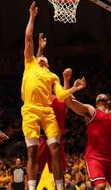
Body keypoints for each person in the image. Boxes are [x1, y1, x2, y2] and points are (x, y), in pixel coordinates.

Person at [21, 1, 86, 190]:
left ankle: (59, 187)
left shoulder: (52, 76)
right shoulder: (30, 63)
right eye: (39, 56)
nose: (41, 58)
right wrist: (32, 17)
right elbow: (27, 38)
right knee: (32, 151)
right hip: (30, 109)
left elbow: (60, 94)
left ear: (47, 64)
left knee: (55, 149)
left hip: (46, 111)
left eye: (44, 58)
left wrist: (74, 88)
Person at [64, 74, 111, 190]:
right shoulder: (91, 111)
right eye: (98, 96)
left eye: (103, 96)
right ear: (96, 102)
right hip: (94, 158)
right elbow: (69, 101)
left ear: (108, 101)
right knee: (100, 186)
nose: (100, 95)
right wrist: (67, 81)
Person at [36, 33, 70, 179]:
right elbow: (35, 65)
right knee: (35, 170)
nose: (42, 64)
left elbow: (65, 97)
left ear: (48, 66)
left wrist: (66, 79)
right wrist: (40, 49)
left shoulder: (53, 79)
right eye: (40, 63)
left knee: (59, 174)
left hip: (57, 135)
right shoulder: (36, 77)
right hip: (43, 135)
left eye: (45, 63)